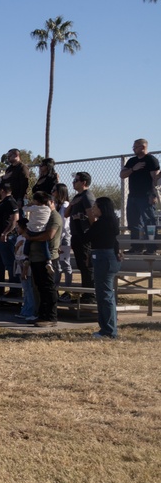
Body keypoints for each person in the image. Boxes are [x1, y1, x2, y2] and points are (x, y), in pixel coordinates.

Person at [20, 191, 62, 327]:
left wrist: (31, 237)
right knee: (39, 288)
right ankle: (42, 315)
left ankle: (51, 316)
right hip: (36, 257)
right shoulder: (41, 214)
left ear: (51, 202)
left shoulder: (54, 217)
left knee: (48, 288)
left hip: (47, 257)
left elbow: (49, 235)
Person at [87, 197, 123, 339]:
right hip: (106, 258)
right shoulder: (111, 222)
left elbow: (86, 237)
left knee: (105, 295)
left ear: (102, 208)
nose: (93, 209)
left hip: (104, 259)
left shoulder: (101, 223)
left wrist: (88, 220)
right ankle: (106, 328)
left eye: (95, 206)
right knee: (105, 295)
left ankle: (109, 331)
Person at [120, 138, 160, 254]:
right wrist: (133, 169)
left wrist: (153, 194)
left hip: (146, 196)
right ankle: (136, 247)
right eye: (133, 147)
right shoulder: (132, 161)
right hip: (133, 196)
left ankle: (151, 248)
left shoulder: (151, 160)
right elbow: (122, 174)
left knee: (149, 221)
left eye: (136, 147)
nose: (133, 149)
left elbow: (155, 179)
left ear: (143, 147)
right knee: (133, 222)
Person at [64, 171, 95, 289]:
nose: (73, 182)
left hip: (84, 235)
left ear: (84, 182)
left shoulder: (87, 196)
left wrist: (91, 233)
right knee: (81, 265)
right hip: (76, 235)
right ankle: (85, 291)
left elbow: (92, 216)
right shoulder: (77, 197)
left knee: (87, 265)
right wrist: (71, 204)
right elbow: (66, 214)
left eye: (76, 180)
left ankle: (90, 293)